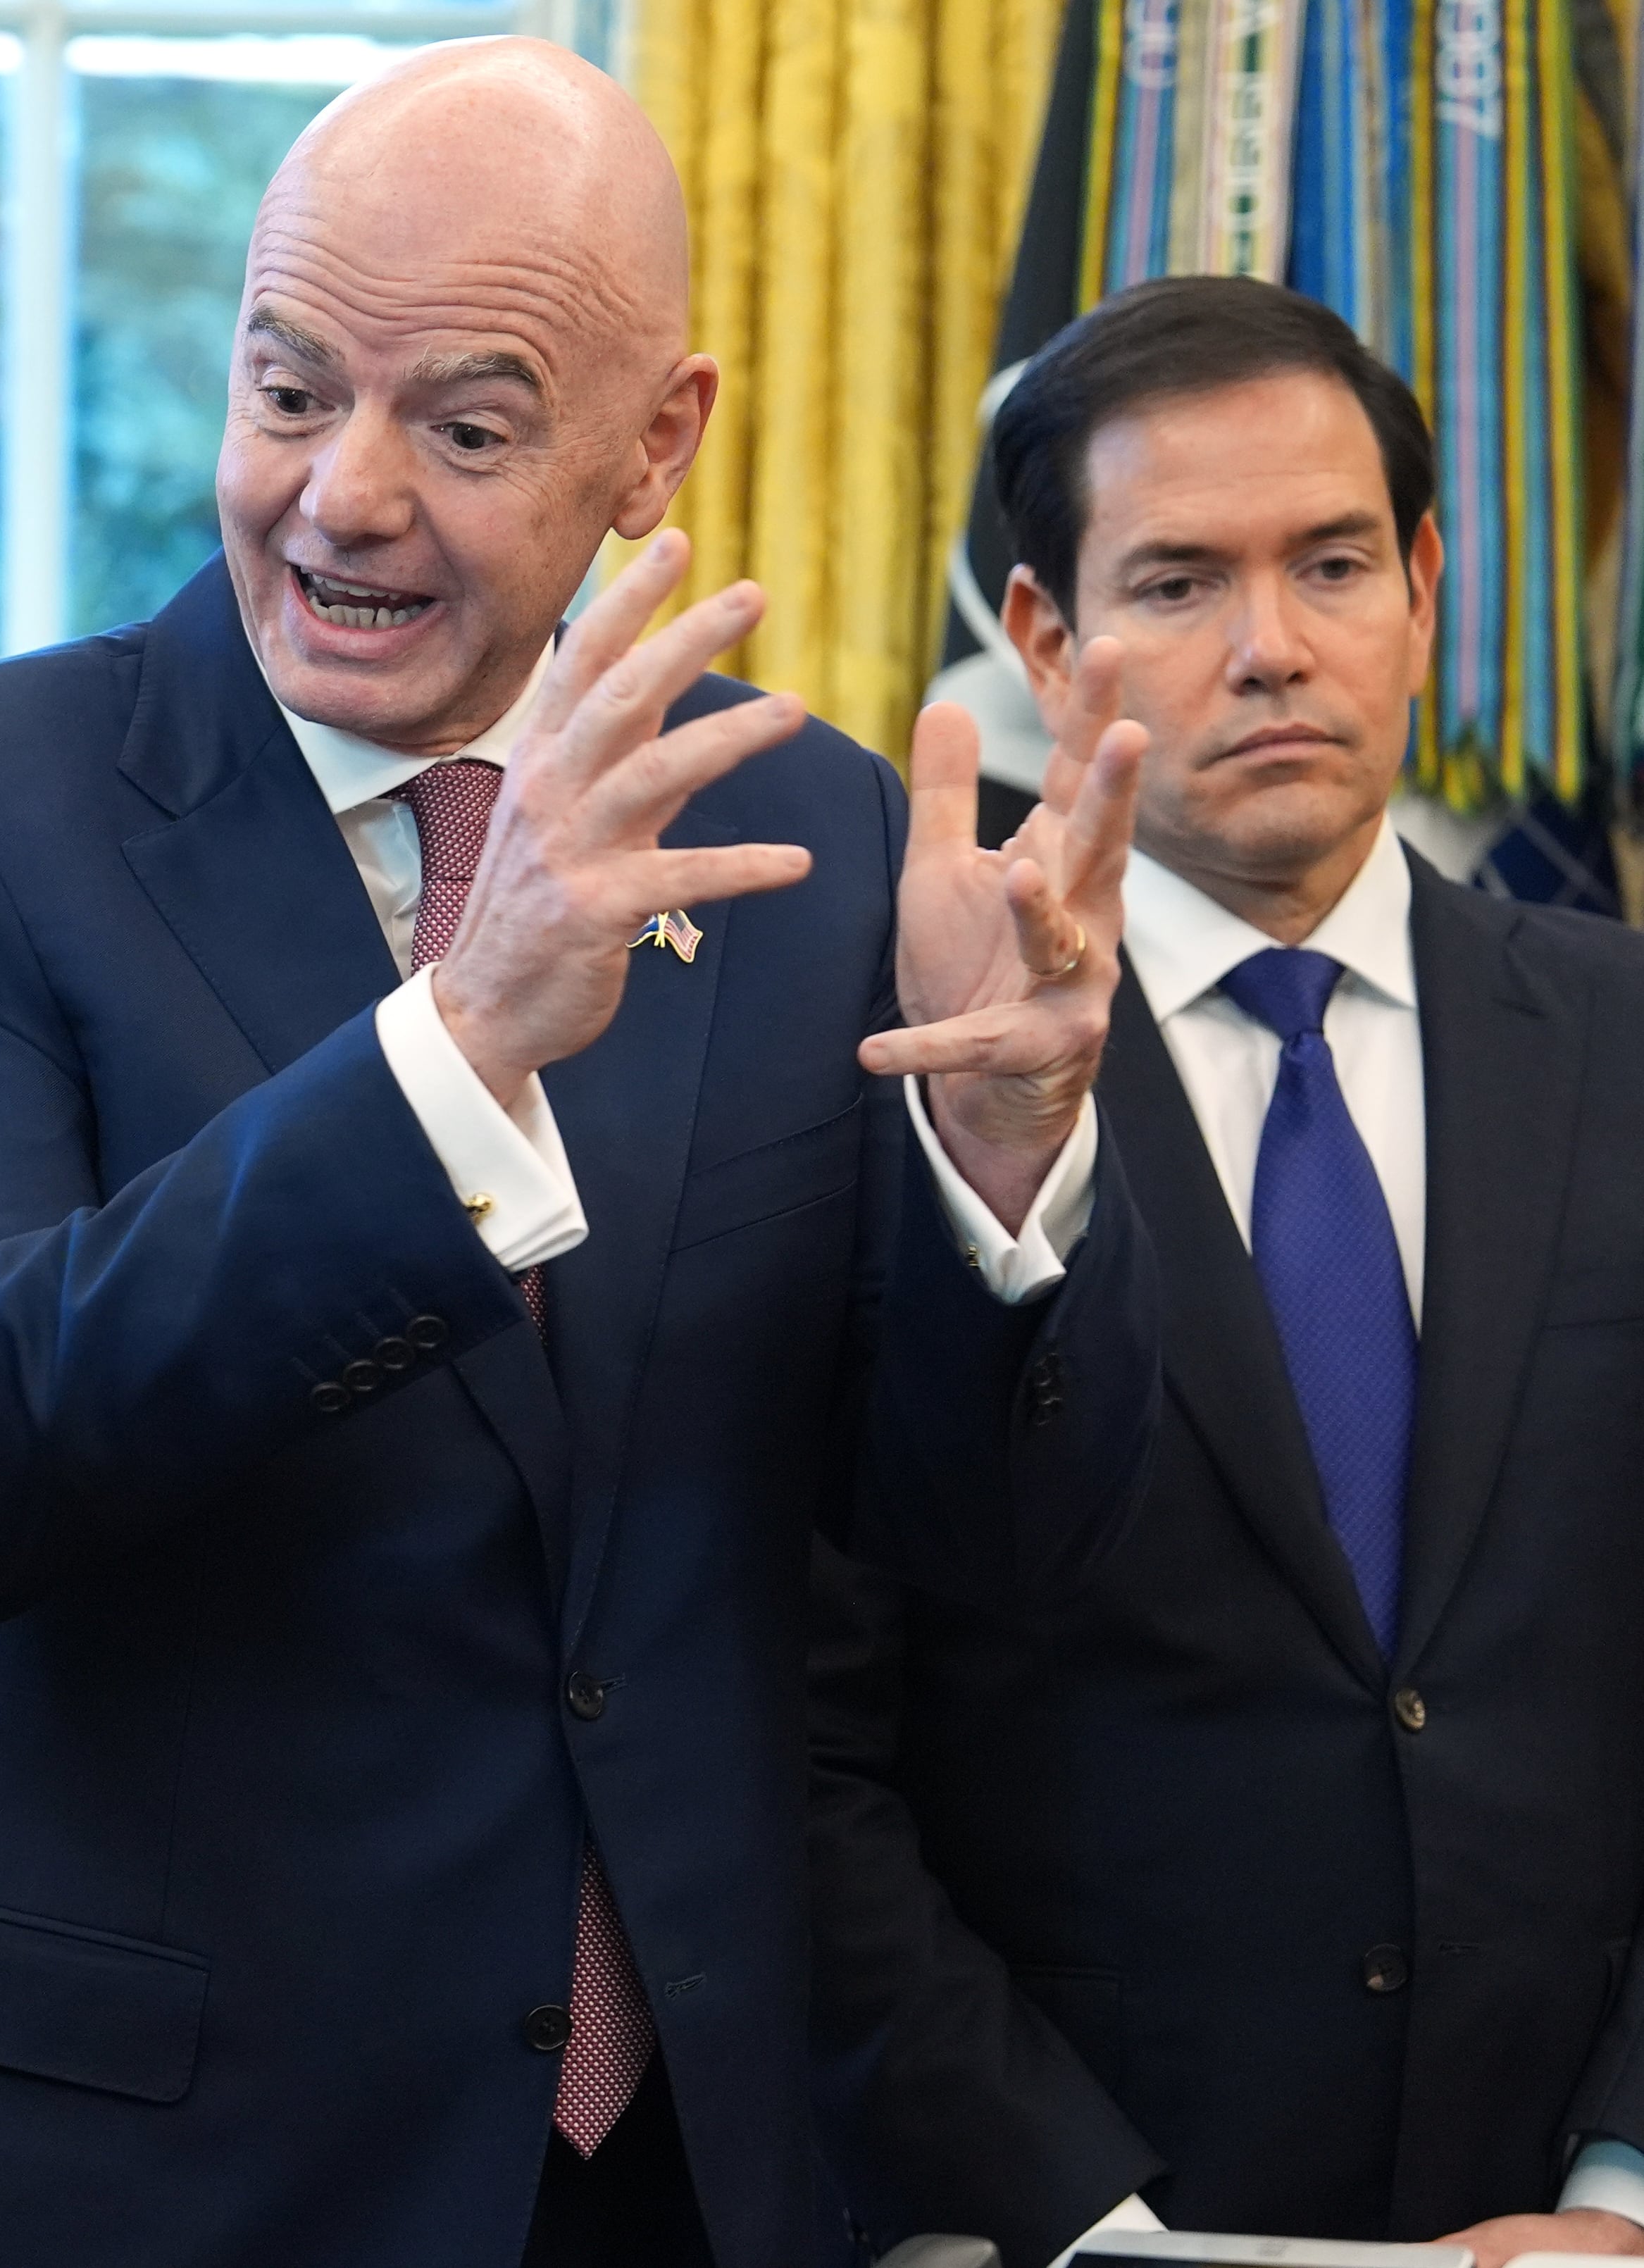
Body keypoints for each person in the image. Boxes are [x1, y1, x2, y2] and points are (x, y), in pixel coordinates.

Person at [0, 37, 1160, 2268]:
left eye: (463, 428)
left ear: (649, 441)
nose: (341, 495)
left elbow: (964, 1562)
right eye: (287, 391)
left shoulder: (810, 840)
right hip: (103, 2174)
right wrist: (450, 1053)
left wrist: (1001, 1172)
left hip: (650, 2177)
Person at [807, 274, 1644, 2268]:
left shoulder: (1626, 1039)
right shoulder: (873, 1069)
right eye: (1174, 582)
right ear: (1040, 634)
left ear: (1423, 581)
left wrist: (1619, 2190)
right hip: (1065, 2223)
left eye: (1330, 563)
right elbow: (789, 1732)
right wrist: (1077, 2219)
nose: (1270, 649)